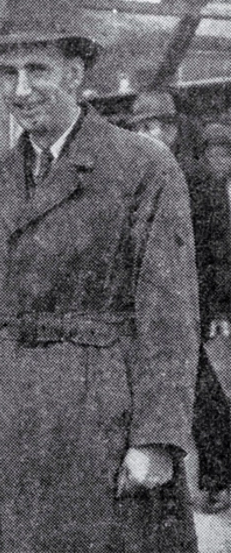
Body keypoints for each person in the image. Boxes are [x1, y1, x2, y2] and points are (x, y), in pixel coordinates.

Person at [0, 0, 200, 552]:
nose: (20, 89)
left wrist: (157, 440)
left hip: (102, 419)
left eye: (36, 69)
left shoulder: (142, 167)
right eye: (8, 72)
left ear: (76, 70)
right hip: (8, 419)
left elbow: (170, 312)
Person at [128, 93, 231, 513]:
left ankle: (217, 478)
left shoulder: (198, 180)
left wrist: (216, 309)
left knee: (197, 389)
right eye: (144, 127)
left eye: (160, 127)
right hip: (137, 304)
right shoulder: (126, 177)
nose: (153, 135)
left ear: (173, 130)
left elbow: (219, 250)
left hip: (188, 302)